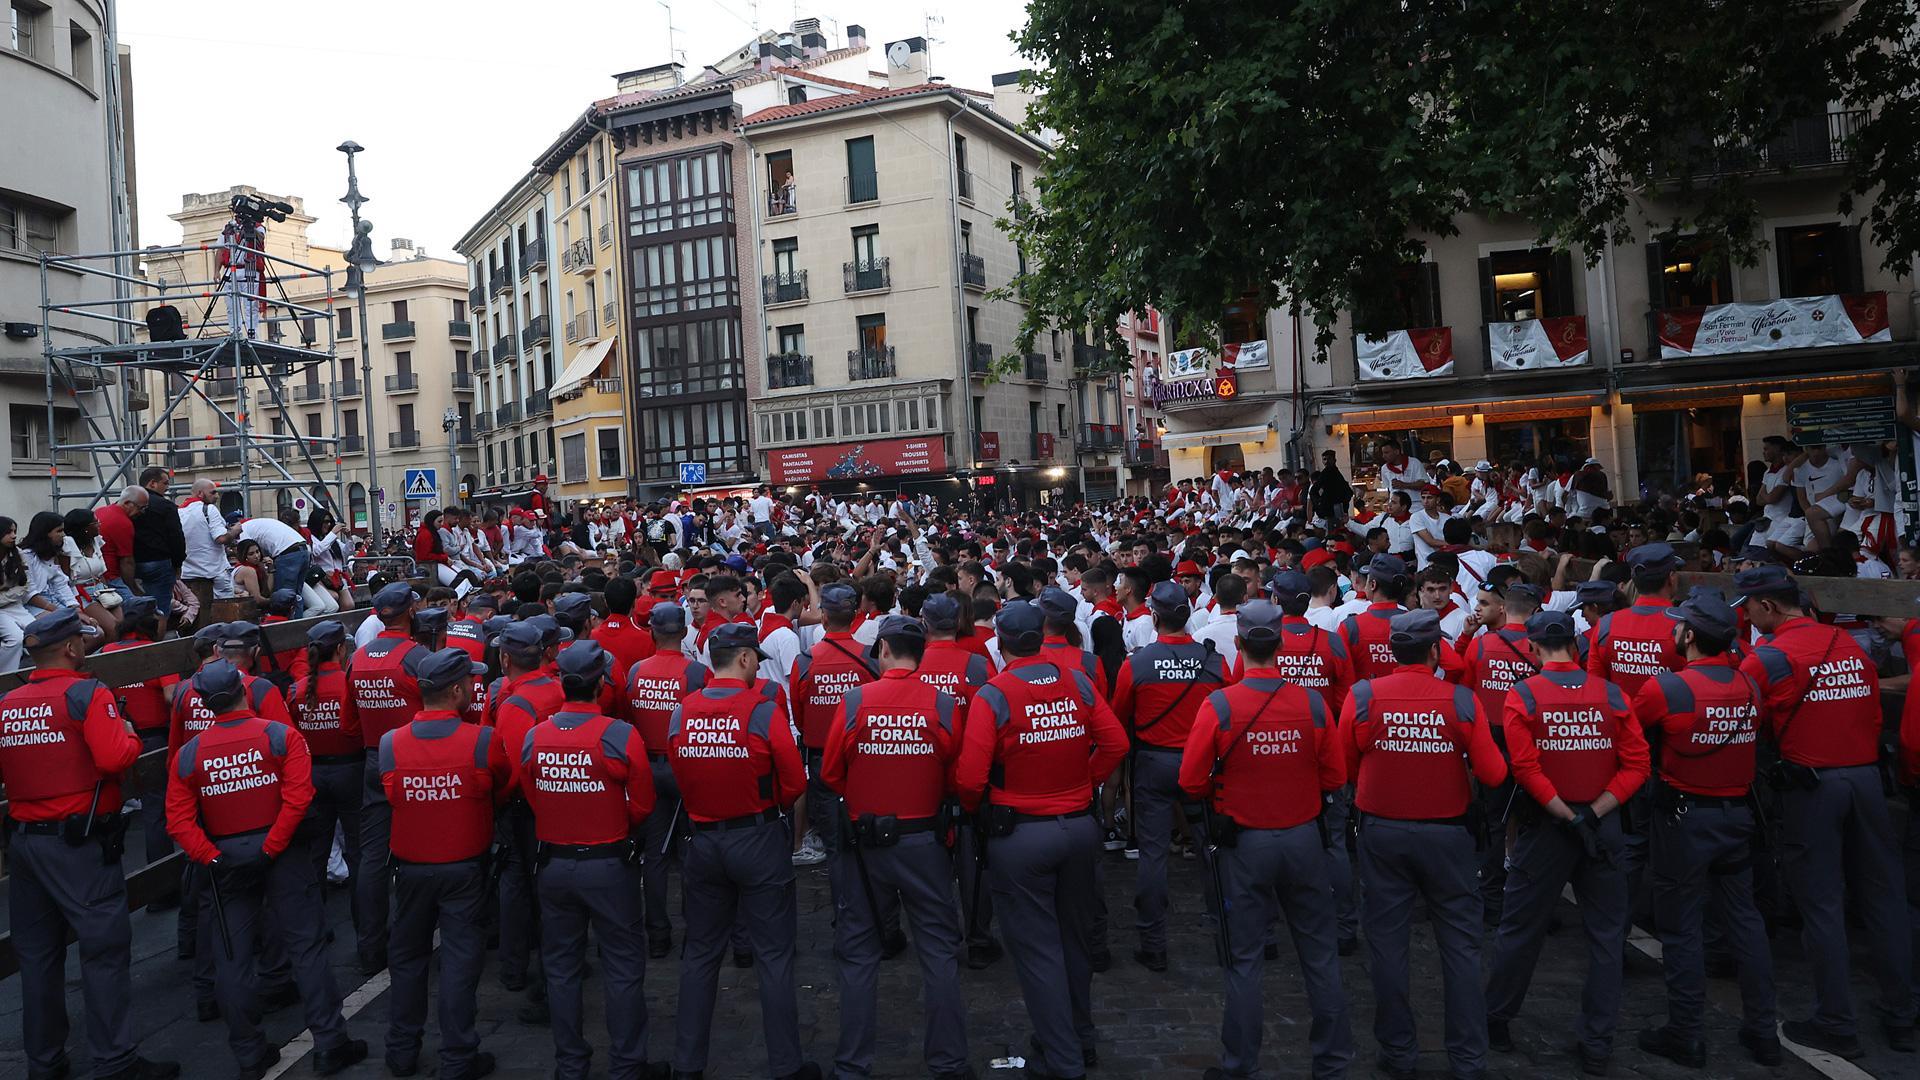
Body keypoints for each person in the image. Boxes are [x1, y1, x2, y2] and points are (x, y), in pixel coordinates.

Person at [1736, 564, 1915, 1056]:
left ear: (1768, 606)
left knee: (1821, 905)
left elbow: (1751, 728)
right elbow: (1872, 709)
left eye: (1749, 607)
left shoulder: (1767, 659)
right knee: (1883, 899)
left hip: (1811, 785)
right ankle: (1902, 1014)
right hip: (1866, 779)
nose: (1747, 616)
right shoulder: (1849, 645)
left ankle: (1836, 1021)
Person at [165, 659, 367, 1080]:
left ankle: (249, 1053)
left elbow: (179, 822)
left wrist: (213, 858)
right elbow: (298, 799)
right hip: (280, 852)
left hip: (226, 859)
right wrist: (270, 849)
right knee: (306, 947)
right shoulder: (279, 736)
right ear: (245, 691)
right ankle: (330, 1043)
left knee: (232, 958)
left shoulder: (190, 754)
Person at [0, 607, 179, 1080]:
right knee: (103, 949)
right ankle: (114, 1059)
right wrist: (129, 734)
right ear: (72, 648)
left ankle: (45, 1062)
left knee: (37, 958)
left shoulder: (9, 702)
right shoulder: (87, 693)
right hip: (78, 841)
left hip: (24, 840)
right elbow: (116, 757)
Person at [1178, 600, 1352, 1080]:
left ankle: (1239, 1065)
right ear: (1279, 644)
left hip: (1245, 844)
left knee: (1245, 959)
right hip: (1302, 838)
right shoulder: (1312, 703)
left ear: (1239, 644)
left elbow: (1191, 782)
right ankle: (1333, 1062)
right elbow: (1335, 775)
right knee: (1319, 955)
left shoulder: (1220, 705)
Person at [956, 600, 1128, 1080]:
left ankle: (1063, 1057)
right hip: (1077, 825)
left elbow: (970, 778)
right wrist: (1083, 781)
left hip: (1021, 832)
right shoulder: (1076, 681)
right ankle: (1079, 1035)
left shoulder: (995, 693)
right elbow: (1115, 743)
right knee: (1074, 941)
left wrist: (983, 807)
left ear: (1003, 644)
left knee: (1037, 953)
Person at [1339, 608, 1507, 1080]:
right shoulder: (1459, 700)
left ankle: (1397, 1050)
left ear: (1392, 651)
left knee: (1388, 945)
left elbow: (1344, 765)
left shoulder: (1364, 696)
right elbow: (1493, 773)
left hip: (1383, 831)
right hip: (1448, 834)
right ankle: (1469, 1058)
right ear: (1435, 650)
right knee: (1460, 947)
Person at [1485, 610, 1649, 1075]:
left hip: (1549, 827)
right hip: (1603, 824)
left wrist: (1566, 814)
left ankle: (1497, 1017)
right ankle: (1597, 1041)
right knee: (1605, 936)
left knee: (1520, 927)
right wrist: (1595, 812)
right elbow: (1637, 764)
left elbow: (1526, 768)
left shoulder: (1525, 696)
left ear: (1534, 648)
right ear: (1575, 649)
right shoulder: (1612, 695)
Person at [1630, 592, 1781, 1069]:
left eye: (1678, 626)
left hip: (1684, 817)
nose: (1672, 632)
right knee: (1745, 921)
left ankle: (1686, 1031)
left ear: (1690, 636)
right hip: (1736, 814)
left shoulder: (1667, 688)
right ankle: (1763, 1032)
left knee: (1681, 928)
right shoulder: (1748, 685)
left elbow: (1633, 733)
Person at [819, 614, 971, 1080]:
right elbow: (955, 775)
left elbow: (830, 773)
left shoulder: (855, 701)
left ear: (882, 650)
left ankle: (852, 1066)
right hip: (924, 838)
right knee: (939, 951)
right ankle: (949, 1063)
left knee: (859, 953)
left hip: (865, 840)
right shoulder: (943, 704)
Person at [667, 621, 818, 1080]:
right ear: (747, 659)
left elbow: (679, 772)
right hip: (756, 835)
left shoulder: (682, 712)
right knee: (774, 956)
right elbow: (794, 781)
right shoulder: (761, 709)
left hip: (704, 836)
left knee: (700, 954)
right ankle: (786, 1065)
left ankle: (688, 1063)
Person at [520, 641, 660, 1080]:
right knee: (621, 965)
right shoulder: (619, 735)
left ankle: (571, 1064)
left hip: (555, 863)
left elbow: (532, 792)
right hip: (607, 862)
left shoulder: (536, 735)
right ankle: (626, 1064)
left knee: (560, 969)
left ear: (562, 683)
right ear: (601, 685)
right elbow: (643, 804)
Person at [378, 647, 508, 1079]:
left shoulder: (390, 744)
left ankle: (400, 1051)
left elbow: (391, 795)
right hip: (464, 869)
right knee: (459, 962)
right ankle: (457, 1057)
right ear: (456, 690)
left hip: (411, 867)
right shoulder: (480, 740)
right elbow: (502, 783)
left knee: (407, 960)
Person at [1108, 579, 1230, 971]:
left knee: (1153, 855)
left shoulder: (1138, 663)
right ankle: (1230, 933)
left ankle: (1153, 941)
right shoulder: (1213, 661)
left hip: (1154, 764)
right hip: (1201, 764)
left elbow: (1118, 715)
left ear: (1155, 616)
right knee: (1213, 853)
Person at [348, 581, 430, 975]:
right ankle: (415, 937)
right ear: (410, 612)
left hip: (373, 759)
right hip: (415, 759)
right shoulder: (417, 656)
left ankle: (369, 947)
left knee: (373, 857)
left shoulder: (359, 657)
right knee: (425, 849)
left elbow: (349, 719)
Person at [486, 618, 566, 1004]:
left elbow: (515, 770)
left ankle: (516, 966)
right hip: (556, 798)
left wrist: (499, 802)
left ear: (505, 659)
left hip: (525, 807)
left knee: (516, 885)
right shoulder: (556, 689)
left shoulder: (514, 702)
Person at [621, 603, 708, 958]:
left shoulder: (637, 672)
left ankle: (657, 933)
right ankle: (698, 930)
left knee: (655, 855)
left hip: (649, 767)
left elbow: (628, 717)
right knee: (692, 853)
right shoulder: (698, 673)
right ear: (684, 631)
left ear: (653, 632)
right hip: (684, 768)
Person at [789, 582, 877, 864]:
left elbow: (799, 714)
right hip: (863, 755)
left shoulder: (804, 661)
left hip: (822, 756)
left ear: (823, 617)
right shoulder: (870, 658)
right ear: (854, 617)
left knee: (834, 843)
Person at [290, 620, 364, 937]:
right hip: (350, 769)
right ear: (340, 649)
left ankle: (315, 927)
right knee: (359, 852)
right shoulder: (350, 685)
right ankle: (366, 926)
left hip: (314, 773)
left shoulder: (296, 690)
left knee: (317, 853)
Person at [178, 479, 237, 628]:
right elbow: (221, 538)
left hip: (189, 574)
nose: (216, 496)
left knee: (198, 621)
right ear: (200, 493)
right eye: (212, 492)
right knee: (225, 618)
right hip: (214, 573)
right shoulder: (209, 510)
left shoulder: (179, 512)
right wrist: (236, 530)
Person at [131, 466, 185, 623]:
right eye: (165, 483)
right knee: (159, 609)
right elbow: (176, 536)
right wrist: (178, 563)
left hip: (131, 563)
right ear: (152, 483)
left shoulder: (127, 504)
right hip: (158, 561)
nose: (167, 487)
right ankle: (155, 643)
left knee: (136, 609)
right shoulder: (165, 505)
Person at [236, 512, 311, 615]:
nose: (256, 556)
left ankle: (285, 628)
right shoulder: (256, 525)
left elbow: (246, 550)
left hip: (287, 553)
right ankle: (297, 624)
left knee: (283, 599)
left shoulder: (241, 532)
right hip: (303, 550)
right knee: (296, 596)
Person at [63, 508, 121, 639]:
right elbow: (65, 578)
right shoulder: (68, 546)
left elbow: (101, 573)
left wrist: (108, 591)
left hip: (101, 590)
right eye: (96, 522)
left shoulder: (95, 541)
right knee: (113, 627)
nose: (100, 524)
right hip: (83, 594)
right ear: (85, 528)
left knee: (121, 625)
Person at [93, 484, 146, 603]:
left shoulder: (100, 511)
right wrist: (132, 587)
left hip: (97, 575)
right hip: (111, 577)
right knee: (138, 609)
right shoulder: (123, 523)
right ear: (127, 503)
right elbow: (127, 561)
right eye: (140, 508)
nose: (142, 512)